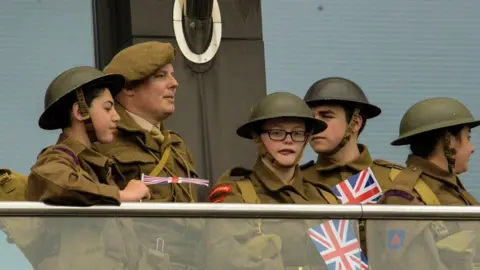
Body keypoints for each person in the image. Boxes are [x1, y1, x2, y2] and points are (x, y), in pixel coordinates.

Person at [23, 66, 167, 269]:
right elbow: (56, 182)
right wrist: (122, 195)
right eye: (107, 108)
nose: (116, 117)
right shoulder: (56, 159)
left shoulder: (96, 168)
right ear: (80, 112)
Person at [98, 41, 204, 270]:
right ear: (128, 88)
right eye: (161, 76)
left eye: (172, 75)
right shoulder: (104, 141)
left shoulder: (176, 146)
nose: (174, 84)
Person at [206, 92, 337, 270]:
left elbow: (346, 263)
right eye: (277, 132)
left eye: (298, 133)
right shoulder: (237, 196)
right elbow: (227, 261)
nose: (288, 140)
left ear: (306, 139)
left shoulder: (325, 199)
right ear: (257, 137)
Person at [370, 97, 480, 270]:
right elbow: (398, 263)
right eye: (468, 137)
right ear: (449, 140)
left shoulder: (448, 187)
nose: (472, 148)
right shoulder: (404, 197)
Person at [300, 77, 393, 257]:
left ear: (355, 123)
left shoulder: (393, 180)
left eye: (326, 116)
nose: (316, 125)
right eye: (311, 118)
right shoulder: (297, 181)